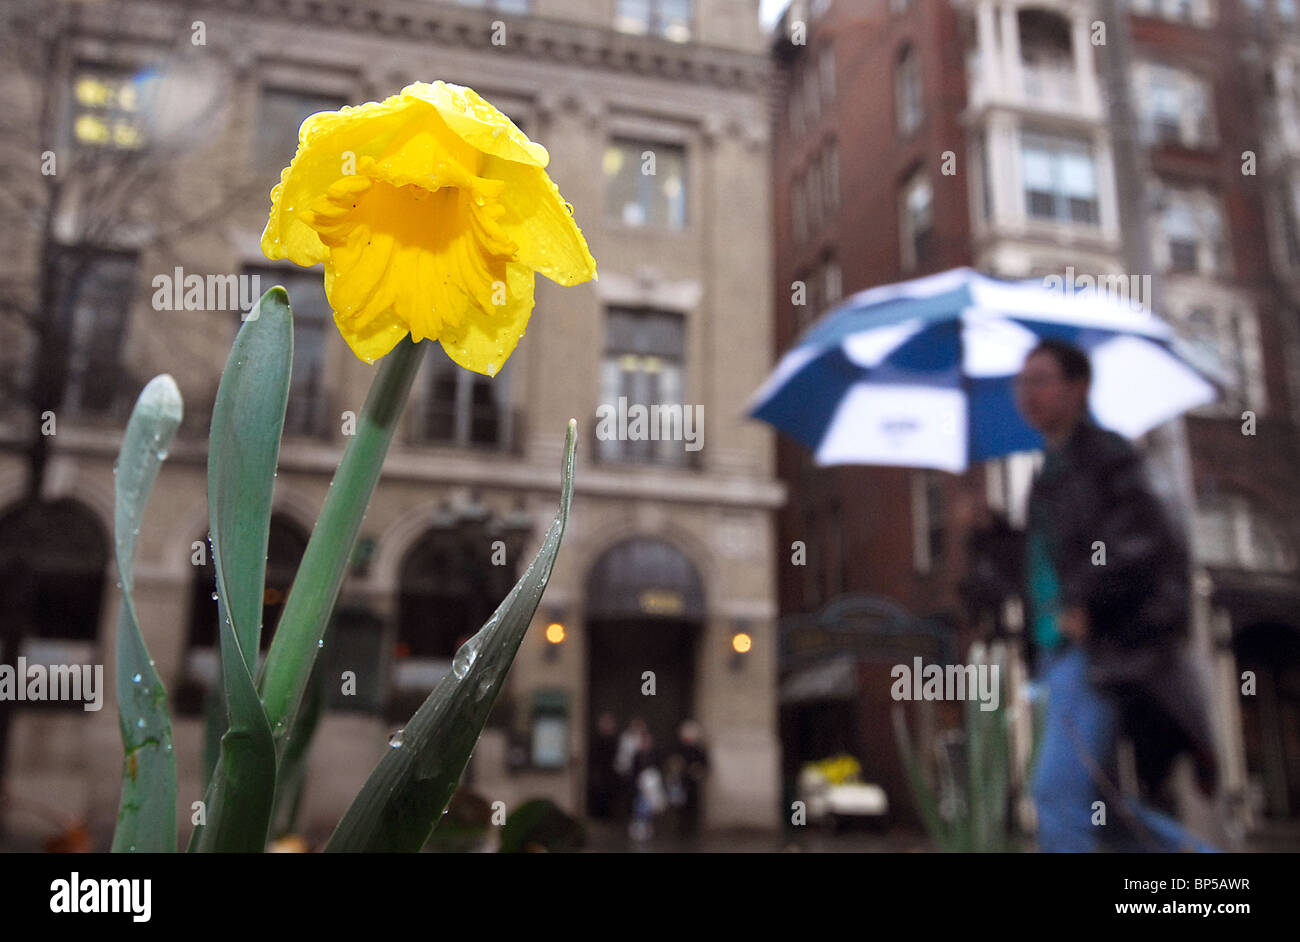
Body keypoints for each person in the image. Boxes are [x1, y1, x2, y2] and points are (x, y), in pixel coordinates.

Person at [1011, 338, 1218, 853]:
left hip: (1099, 651)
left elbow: (1143, 540)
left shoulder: (1108, 456)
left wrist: (1085, 601)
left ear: (1078, 388)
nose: (1026, 393)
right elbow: (1034, 570)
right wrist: (985, 534)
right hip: (1057, 656)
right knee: (1100, 809)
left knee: (1057, 797)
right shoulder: (1047, 475)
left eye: (1040, 380)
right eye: (1021, 382)